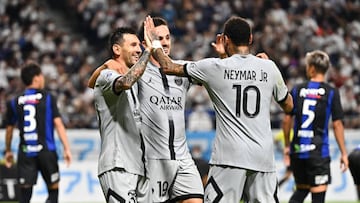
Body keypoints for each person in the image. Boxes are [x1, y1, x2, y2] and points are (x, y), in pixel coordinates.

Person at [146, 15, 294, 202]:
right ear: (250, 39)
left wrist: (154, 42)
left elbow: (167, 66)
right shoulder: (268, 67)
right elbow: (289, 105)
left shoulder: (214, 67)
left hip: (229, 158)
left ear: (225, 39)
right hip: (263, 157)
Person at [89, 17, 204, 203]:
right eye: (158, 38)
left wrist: (232, 59)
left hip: (176, 159)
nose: (164, 43)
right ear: (146, 43)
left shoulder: (179, 69)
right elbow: (96, 81)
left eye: (167, 38)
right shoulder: (135, 74)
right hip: (148, 161)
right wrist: (107, 64)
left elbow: (213, 76)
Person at [90, 26, 153, 203]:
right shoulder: (106, 75)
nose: (139, 49)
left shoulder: (135, 82)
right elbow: (125, 81)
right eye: (133, 45)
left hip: (139, 167)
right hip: (118, 165)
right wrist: (149, 50)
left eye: (140, 46)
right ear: (117, 49)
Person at [282, 50, 348, 203]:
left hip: (298, 152)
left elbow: (287, 120)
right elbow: (337, 124)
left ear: (311, 68)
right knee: (317, 198)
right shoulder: (331, 92)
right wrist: (343, 153)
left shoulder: (297, 90)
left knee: (301, 191)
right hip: (318, 154)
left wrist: (287, 146)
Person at [4, 62, 72, 203]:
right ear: (36, 78)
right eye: (41, 76)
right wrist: (66, 148)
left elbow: (9, 129)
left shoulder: (14, 101)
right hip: (47, 151)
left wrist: (8, 150)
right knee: (53, 191)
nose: (43, 78)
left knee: (24, 196)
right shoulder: (48, 98)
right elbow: (58, 124)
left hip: (26, 153)